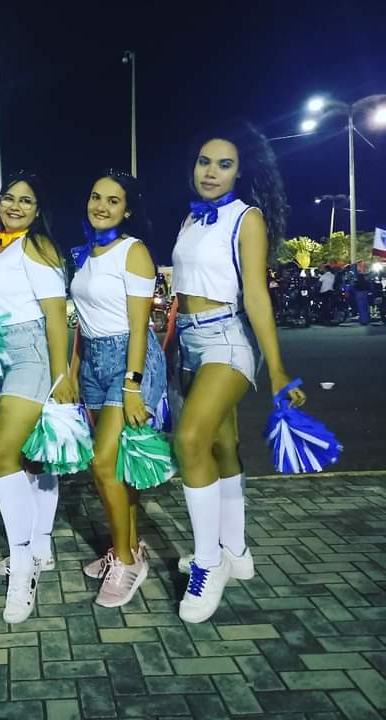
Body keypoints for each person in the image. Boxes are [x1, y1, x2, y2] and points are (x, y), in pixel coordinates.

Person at [170, 122, 306, 624]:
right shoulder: (191, 218)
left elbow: (255, 294)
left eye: (224, 164)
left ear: (240, 171)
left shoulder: (246, 218)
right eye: (204, 162)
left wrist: (277, 369)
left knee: (189, 440)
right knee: (222, 445)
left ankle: (209, 564)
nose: (211, 172)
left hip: (226, 339)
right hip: (187, 342)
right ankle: (236, 551)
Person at [0, 171, 77, 623]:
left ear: (38, 210)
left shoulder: (37, 246)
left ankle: (24, 569)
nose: (15, 206)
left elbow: (55, 315)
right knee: (33, 455)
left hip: (31, 352)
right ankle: (41, 548)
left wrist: (61, 374)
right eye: (9, 198)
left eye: (26, 200)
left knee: (0, 451)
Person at [69, 171, 167, 607]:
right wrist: (74, 369)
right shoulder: (85, 253)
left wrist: (132, 385)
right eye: (96, 197)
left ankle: (127, 562)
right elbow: (82, 321)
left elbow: (140, 326)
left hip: (130, 361)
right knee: (117, 465)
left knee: (103, 462)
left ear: (127, 210)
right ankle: (126, 546)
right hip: (92, 361)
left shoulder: (134, 251)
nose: (102, 206)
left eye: (113, 200)